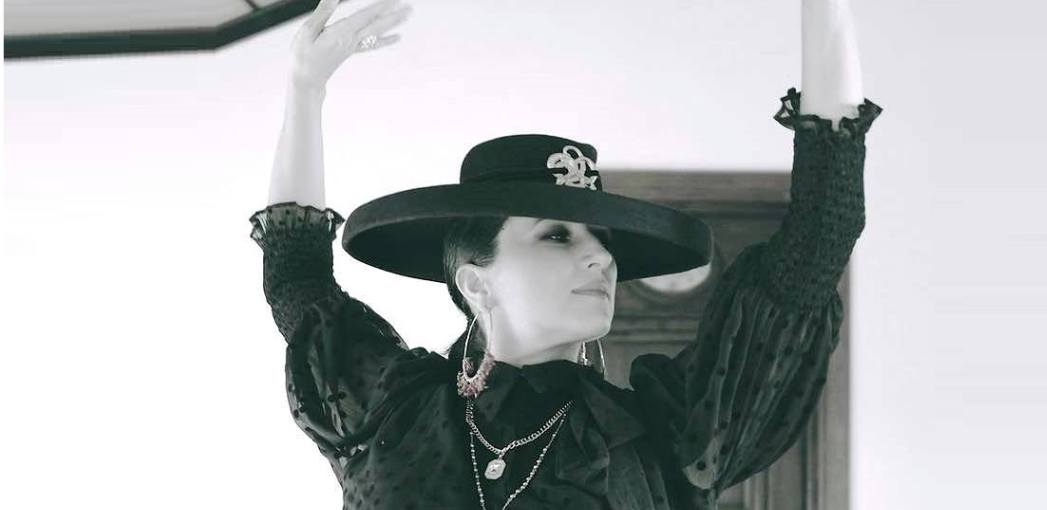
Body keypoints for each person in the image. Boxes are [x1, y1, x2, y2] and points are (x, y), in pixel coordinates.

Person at [249, 0, 882, 508]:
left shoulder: (666, 432)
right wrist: (305, 88)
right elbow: (297, 277)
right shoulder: (393, 407)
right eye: (558, 234)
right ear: (476, 282)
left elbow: (817, 242)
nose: (601, 257)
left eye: (603, 239)